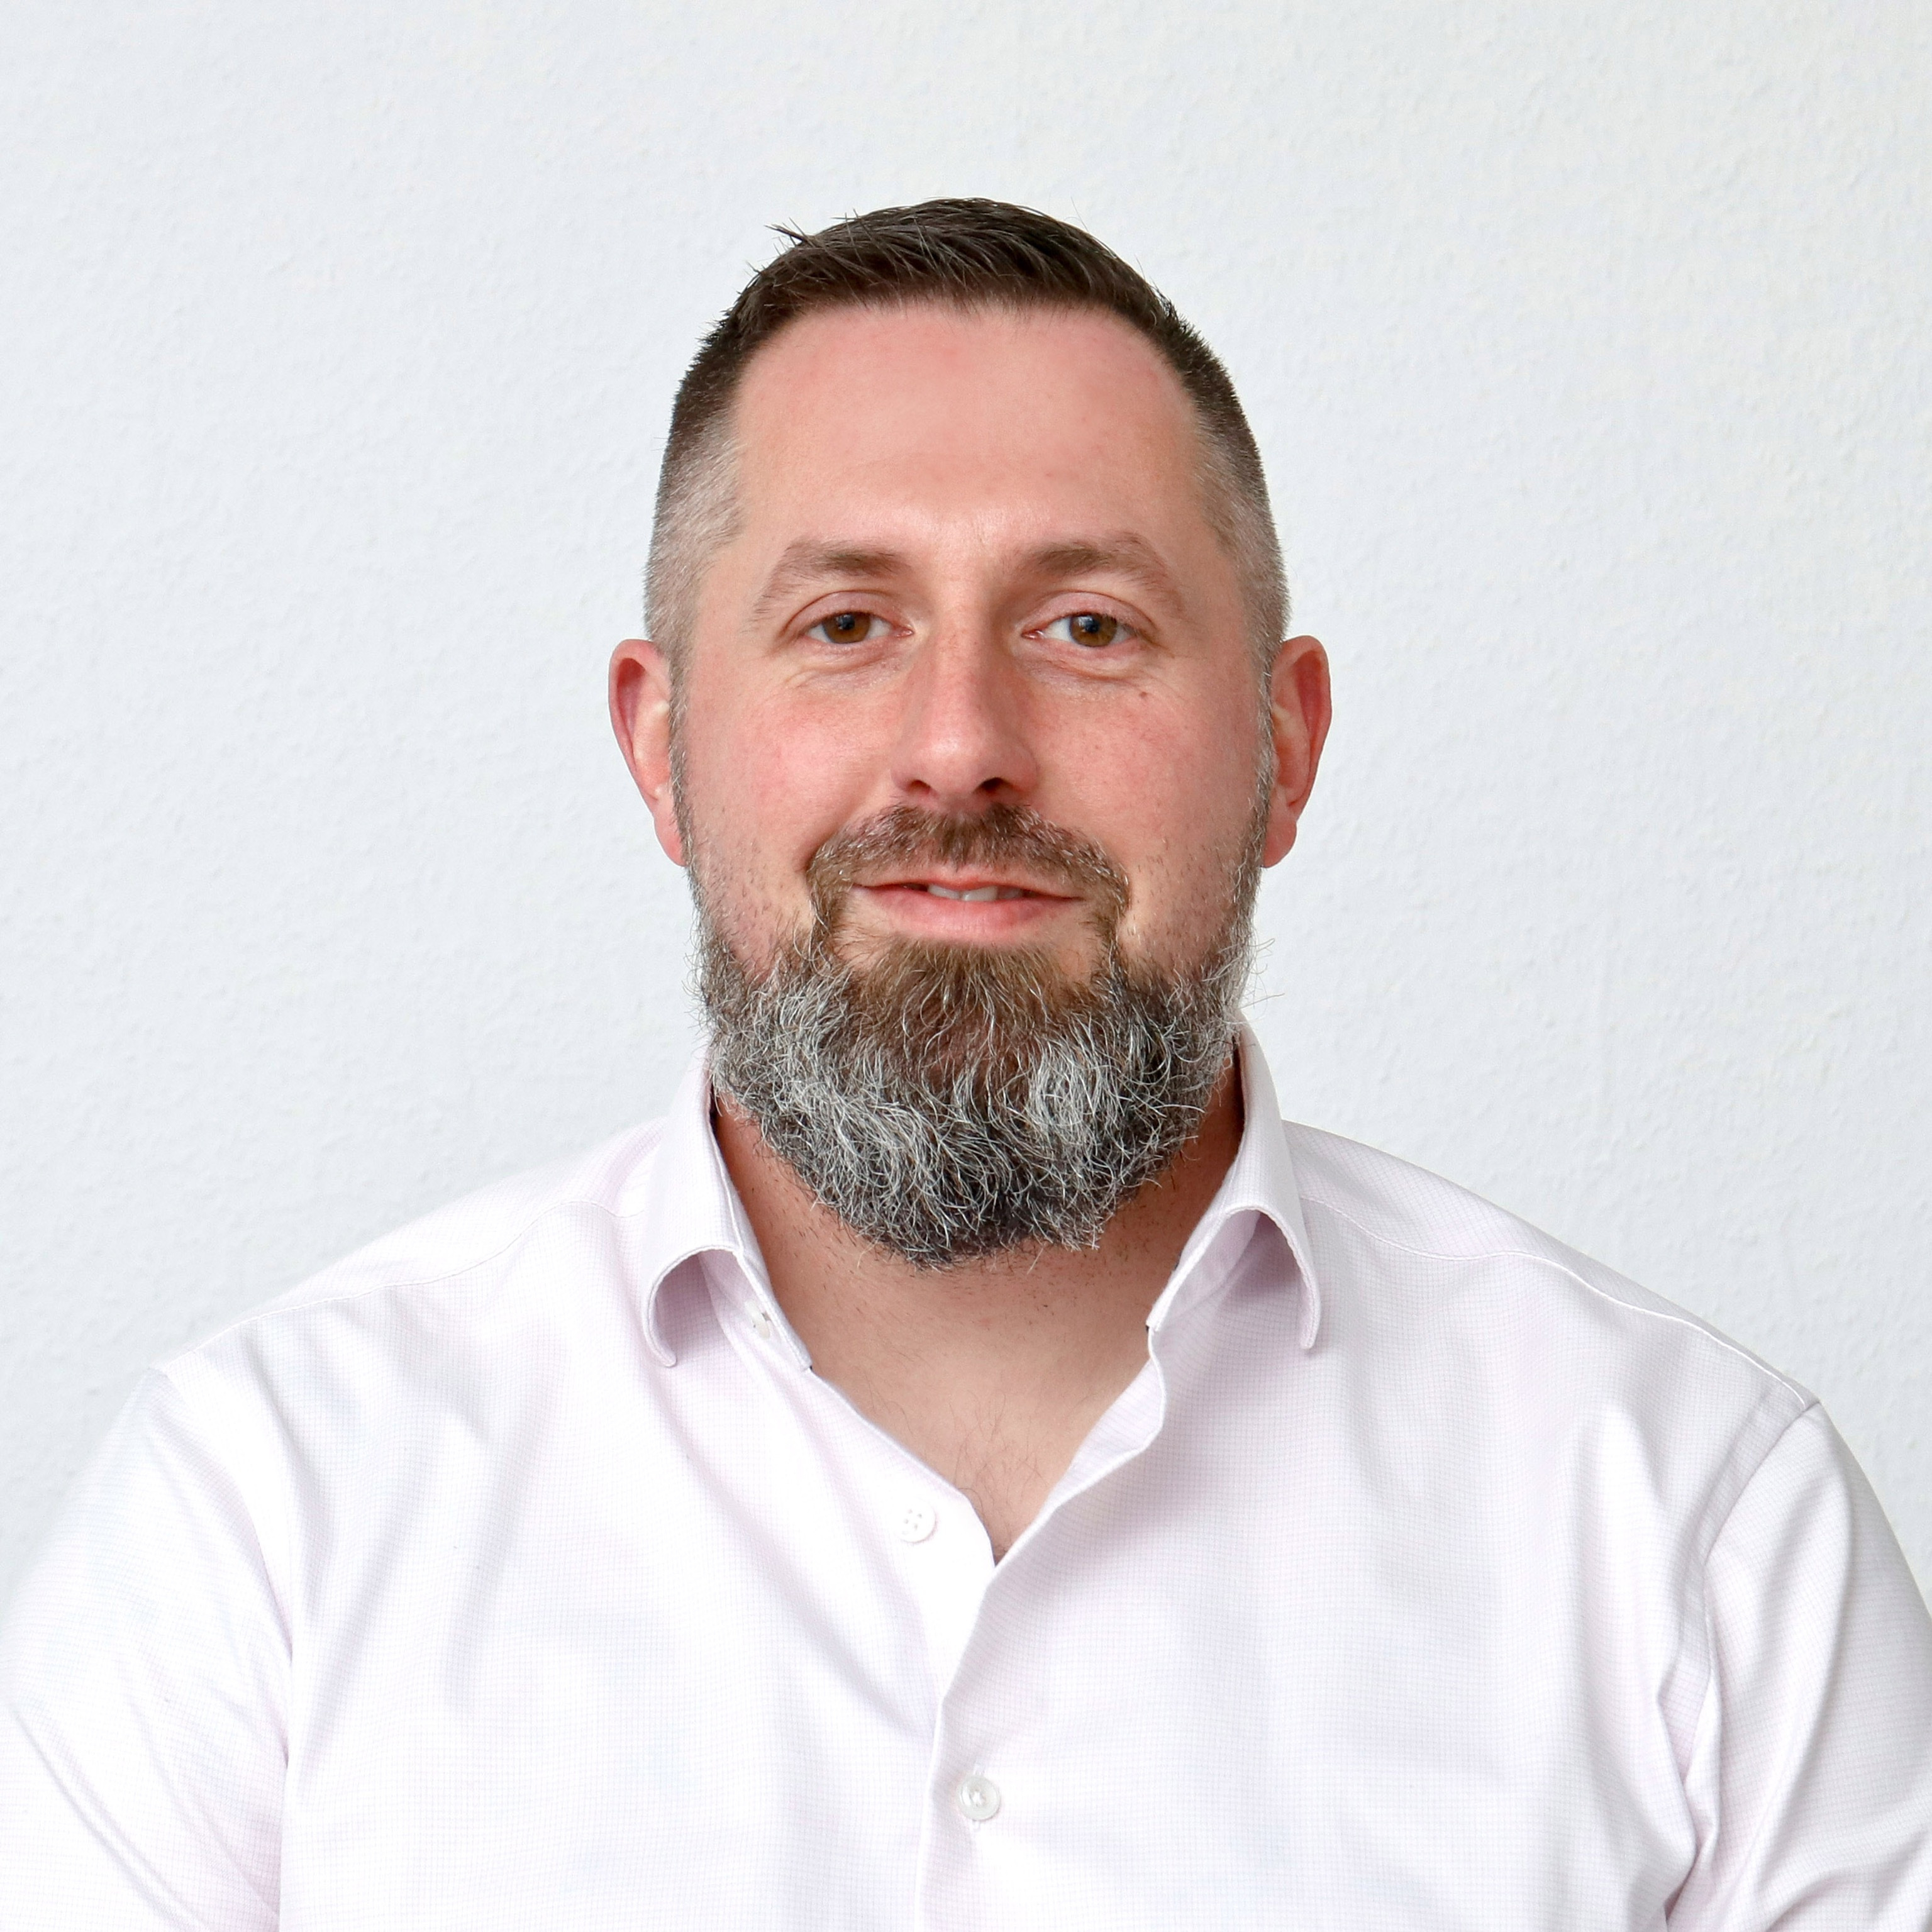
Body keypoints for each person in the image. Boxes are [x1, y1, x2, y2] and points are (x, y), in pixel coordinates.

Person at [1, 198, 1926, 1929]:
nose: (960, 746)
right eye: (847, 624)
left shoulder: (1697, 1525)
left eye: (1088, 626)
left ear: (1285, 749)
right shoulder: (263, 1512)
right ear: (661, 747)